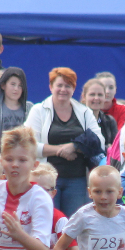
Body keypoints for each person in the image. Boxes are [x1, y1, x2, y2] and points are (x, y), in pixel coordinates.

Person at [25, 67, 104, 216]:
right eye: (59, 85)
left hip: (77, 180)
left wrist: (74, 146)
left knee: (72, 226)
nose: (63, 89)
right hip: (45, 181)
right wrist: (60, 150)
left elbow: (98, 140)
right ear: (50, 87)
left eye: (68, 86)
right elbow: (28, 146)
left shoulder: (84, 112)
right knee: (46, 222)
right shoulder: (38, 110)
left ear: (74, 89)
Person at [82, 78, 118, 164]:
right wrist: (106, 148)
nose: (96, 98)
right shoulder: (76, 119)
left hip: (105, 170)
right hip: (81, 170)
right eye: (92, 94)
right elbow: (82, 147)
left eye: (100, 95)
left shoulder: (110, 121)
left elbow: (115, 150)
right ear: (84, 96)